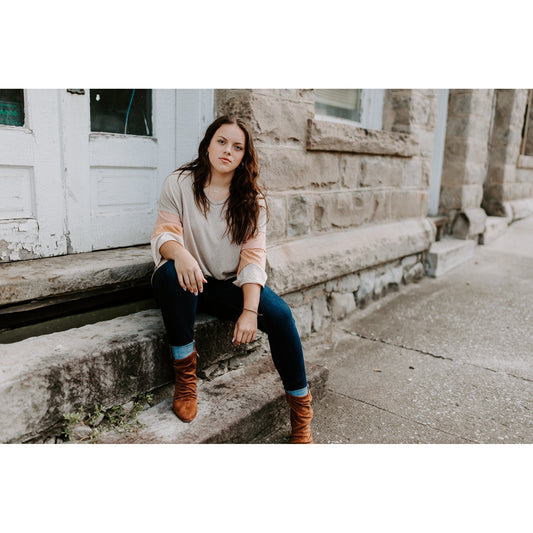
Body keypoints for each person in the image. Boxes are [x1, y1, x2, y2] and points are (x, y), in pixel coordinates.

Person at [150, 115, 313, 444]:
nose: (227, 150)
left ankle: (301, 413)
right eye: (221, 141)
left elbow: (253, 260)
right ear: (208, 144)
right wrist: (181, 254)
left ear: (243, 157)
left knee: (280, 315)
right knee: (170, 271)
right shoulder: (179, 183)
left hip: (225, 286)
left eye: (237, 147)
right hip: (185, 281)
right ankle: (185, 381)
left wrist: (250, 311)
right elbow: (164, 234)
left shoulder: (253, 202)